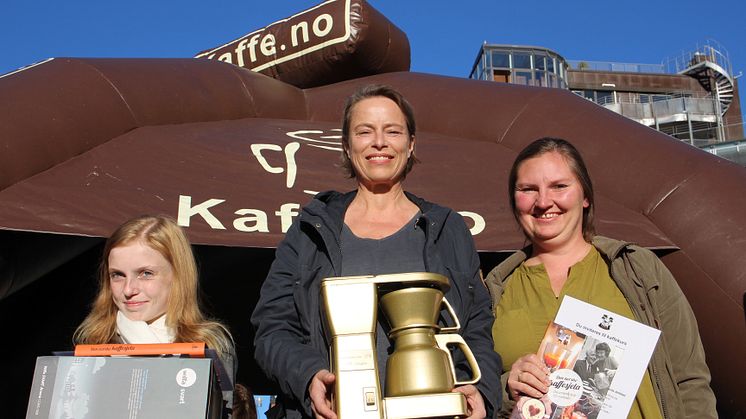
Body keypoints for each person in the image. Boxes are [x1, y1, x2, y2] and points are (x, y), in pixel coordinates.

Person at [250, 84, 500, 419]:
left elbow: (477, 327)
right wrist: (308, 376)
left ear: (410, 144)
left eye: (392, 131)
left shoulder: (447, 227)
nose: (379, 142)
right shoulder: (310, 229)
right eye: (364, 131)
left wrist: (481, 390)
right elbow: (272, 328)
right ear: (347, 145)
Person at [485, 137, 717, 418]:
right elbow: (474, 393)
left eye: (559, 186)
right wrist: (506, 387)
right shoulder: (494, 289)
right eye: (528, 189)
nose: (544, 201)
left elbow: (689, 380)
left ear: (585, 197)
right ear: (514, 200)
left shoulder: (637, 269)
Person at [73, 215, 238, 417]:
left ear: (178, 275)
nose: (128, 289)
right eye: (117, 275)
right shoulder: (92, 344)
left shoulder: (209, 346)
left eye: (145, 273)